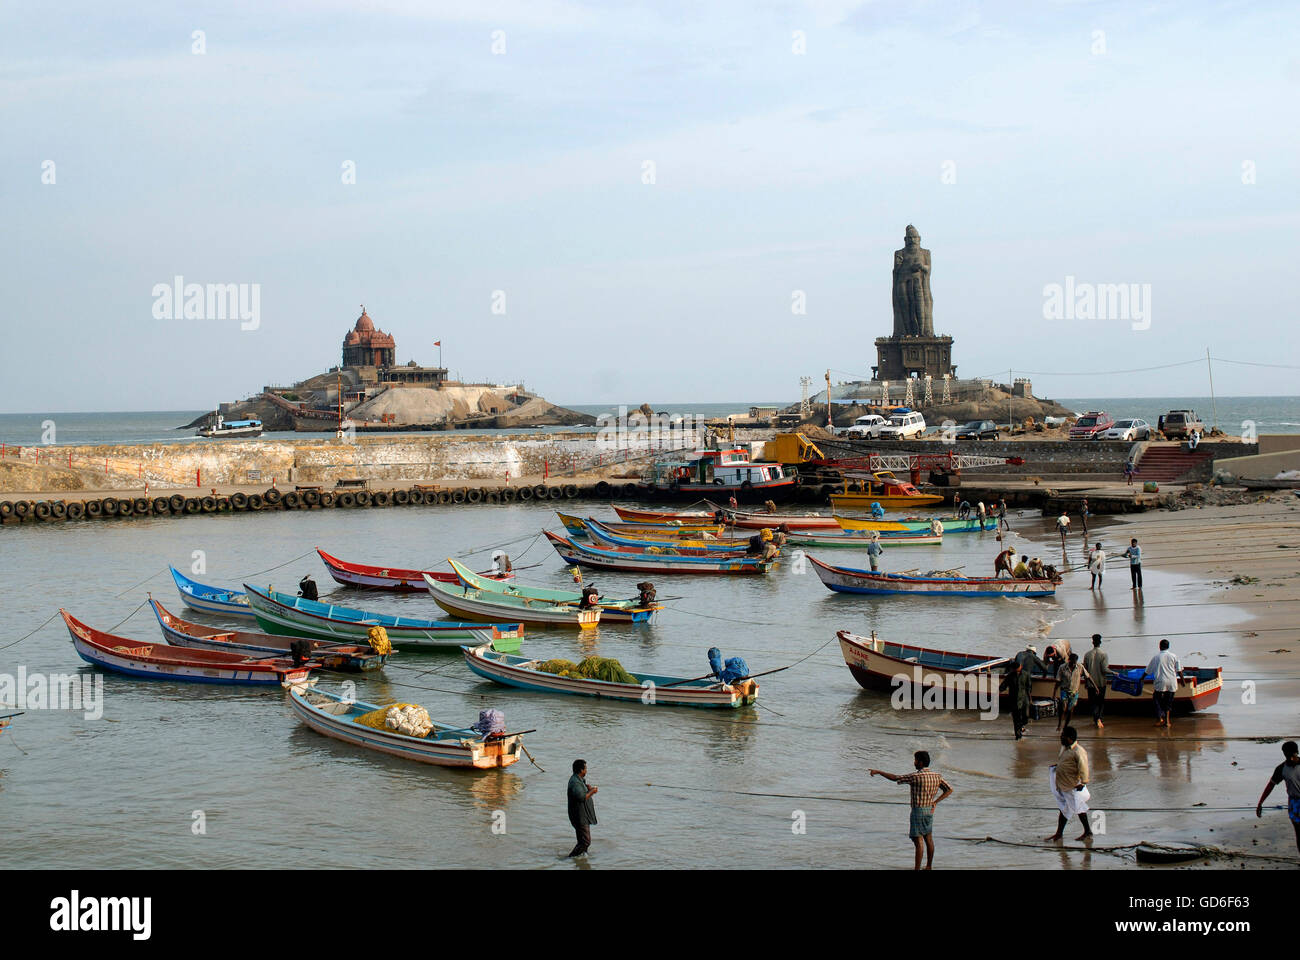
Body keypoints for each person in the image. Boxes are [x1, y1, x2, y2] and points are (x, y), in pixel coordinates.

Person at [869, 751, 953, 871]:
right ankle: (929, 866)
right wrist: (935, 802)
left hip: (918, 810)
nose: (914, 762)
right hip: (929, 810)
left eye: (915, 760)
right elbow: (949, 790)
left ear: (921, 762)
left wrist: (879, 772)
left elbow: (895, 778)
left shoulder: (916, 776)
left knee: (918, 841)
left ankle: (917, 868)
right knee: (928, 838)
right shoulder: (937, 776)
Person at [1047, 726, 1094, 842]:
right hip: (1063, 783)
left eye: (1063, 735)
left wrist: (1083, 782)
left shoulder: (1078, 751)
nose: (1061, 737)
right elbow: (1065, 762)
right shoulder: (1065, 748)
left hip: (1072, 785)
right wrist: (1057, 767)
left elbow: (1084, 767)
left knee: (1078, 808)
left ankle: (1087, 832)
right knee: (1065, 809)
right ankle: (1059, 834)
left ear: (1069, 738)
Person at [1255, 740, 1300, 855]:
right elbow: (1271, 785)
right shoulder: (1281, 769)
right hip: (1294, 802)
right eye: (1289, 755)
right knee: (1299, 833)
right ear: (1285, 754)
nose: (1292, 757)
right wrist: (1260, 802)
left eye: (1294, 754)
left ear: (1297, 752)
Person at [1146, 638, 1182, 728]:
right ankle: (1167, 721)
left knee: (1156, 699)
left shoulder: (1156, 657)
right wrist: (1183, 681)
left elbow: (1148, 671)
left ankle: (1160, 718)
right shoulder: (1174, 656)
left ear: (1160, 646)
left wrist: (1141, 678)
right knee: (1168, 702)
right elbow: (1179, 670)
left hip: (1160, 682)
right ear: (1168, 647)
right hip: (1172, 682)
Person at [566, 759, 598, 857]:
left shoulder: (578, 780)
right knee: (585, 842)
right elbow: (582, 797)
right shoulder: (575, 782)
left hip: (582, 815)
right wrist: (592, 791)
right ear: (581, 770)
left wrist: (588, 788)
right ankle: (568, 859)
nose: (586, 771)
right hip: (579, 816)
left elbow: (582, 793)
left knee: (582, 841)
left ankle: (582, 861)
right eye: (585, 769)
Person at [1053, 652, 1089, 732]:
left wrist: (1095, 687)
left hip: (1074, 692)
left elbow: (1088, 676)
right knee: (1063, 707)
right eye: (1072, 662)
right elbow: (1058, 681)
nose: (1073, 664)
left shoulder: (1080, 667)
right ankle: (1059, 725)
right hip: (1064, 691)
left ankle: (1065, 726)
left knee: (1070, 710)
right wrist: (1054, 693)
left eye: (1074, 663)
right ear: (1069, 660)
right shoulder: (1062, 667)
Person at [1083, 635, 1110, 729]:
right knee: (1100, 702)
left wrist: (1086, 682)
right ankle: (1099, 719)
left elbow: (1085, 671)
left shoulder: (1087, 654)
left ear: (1092, 642)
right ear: (1100, 642)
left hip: (1091, 684)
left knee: (1093, 702)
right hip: (1101, 682)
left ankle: (1096, 719)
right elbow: (1104, 670)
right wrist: (1114, 673)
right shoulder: (1104, 654)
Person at [999, 659, 1031, 740]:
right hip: (1013, 699)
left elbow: (1029, 687)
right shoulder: (1010, 676)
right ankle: (1018, 736)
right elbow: (1003, 685)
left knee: (1026, 716)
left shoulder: (1026, 674)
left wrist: (1030, 698)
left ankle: (1021, 726)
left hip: (1024, 699)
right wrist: (1000, 689)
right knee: (1016, 718)